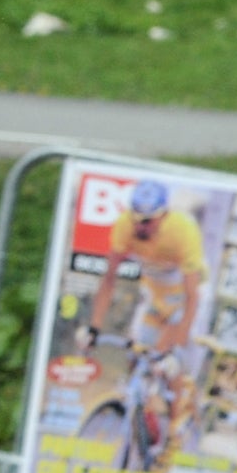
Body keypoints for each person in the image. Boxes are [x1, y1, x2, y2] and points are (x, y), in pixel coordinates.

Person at [77, 178, 207, 457]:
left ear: (163, 216)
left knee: (166, 362)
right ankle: (141, 425)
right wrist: (94, 327)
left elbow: (192, 297)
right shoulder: (125, 227)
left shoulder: (182, 231)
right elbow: (109, 279)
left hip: (185, 302)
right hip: (155, 299)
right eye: (136, 220)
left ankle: (173, 430)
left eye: (147, 222)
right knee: (136, 356)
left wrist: (176, 346)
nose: (140, 227)